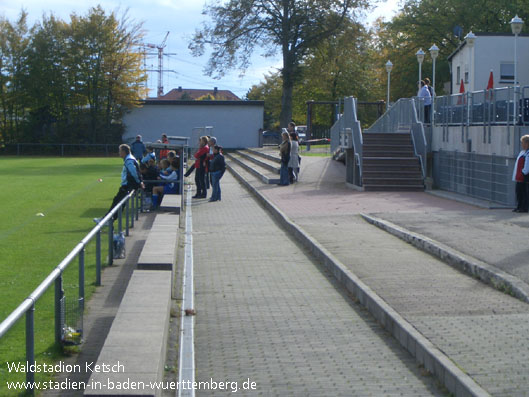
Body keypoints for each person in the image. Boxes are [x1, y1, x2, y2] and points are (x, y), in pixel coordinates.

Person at [94, 144, 143, 223]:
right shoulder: (130, 158)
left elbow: (134, 172)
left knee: (117, 203)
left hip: (127, 186)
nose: (119, 153)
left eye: (120, 151)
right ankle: (108, 219)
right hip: (128, 186)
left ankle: (107, 220)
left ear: (124, 151)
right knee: (118, 202)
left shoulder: (129, 160)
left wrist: (139, 182)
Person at [512, 135, 529, 212]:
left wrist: (523, 172)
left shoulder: (528, 153)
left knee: (524, 193)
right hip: (519, 176)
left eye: (523, 143)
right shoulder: (522, 152)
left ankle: (524, 207)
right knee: (518, 192)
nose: (522, 145)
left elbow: (527, 166)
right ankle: (519, 206)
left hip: (524, 176)